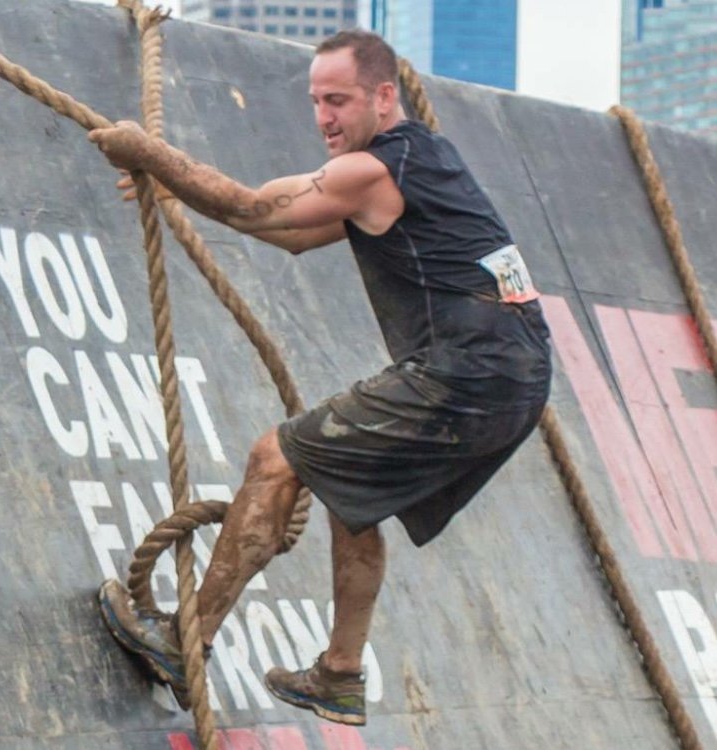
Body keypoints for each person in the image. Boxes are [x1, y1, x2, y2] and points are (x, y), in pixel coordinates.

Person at [91, 29, 552, 726]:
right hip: (511, 374)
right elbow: (291, 230)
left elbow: (250, 208)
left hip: (471, 370)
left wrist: (149, 153)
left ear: (384, 97)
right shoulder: (424, 161)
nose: (324, 117)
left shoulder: (375, 170)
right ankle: (339, 673)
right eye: (315, 101)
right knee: (349, 490)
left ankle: (185, 643)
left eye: (338, 100)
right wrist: (174, 185)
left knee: (274, 457)